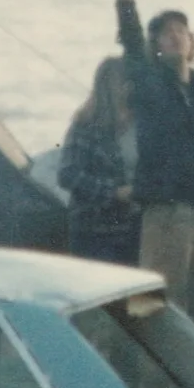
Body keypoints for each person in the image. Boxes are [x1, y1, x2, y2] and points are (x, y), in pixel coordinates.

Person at [106, 0, 194, 314]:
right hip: (165, 213)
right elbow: (131, 42)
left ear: (193, 42)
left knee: (190, 305)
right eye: (166, 33)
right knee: (155, 307)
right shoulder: (151, 82)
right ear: (156, 45)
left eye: (181, 31)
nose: (175, 37)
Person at [57, 57, 143, 266]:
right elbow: (68, 174)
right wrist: (114, 192)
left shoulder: (141, 125)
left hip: (133, 229)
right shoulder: (85, 125)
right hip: (94, 233)